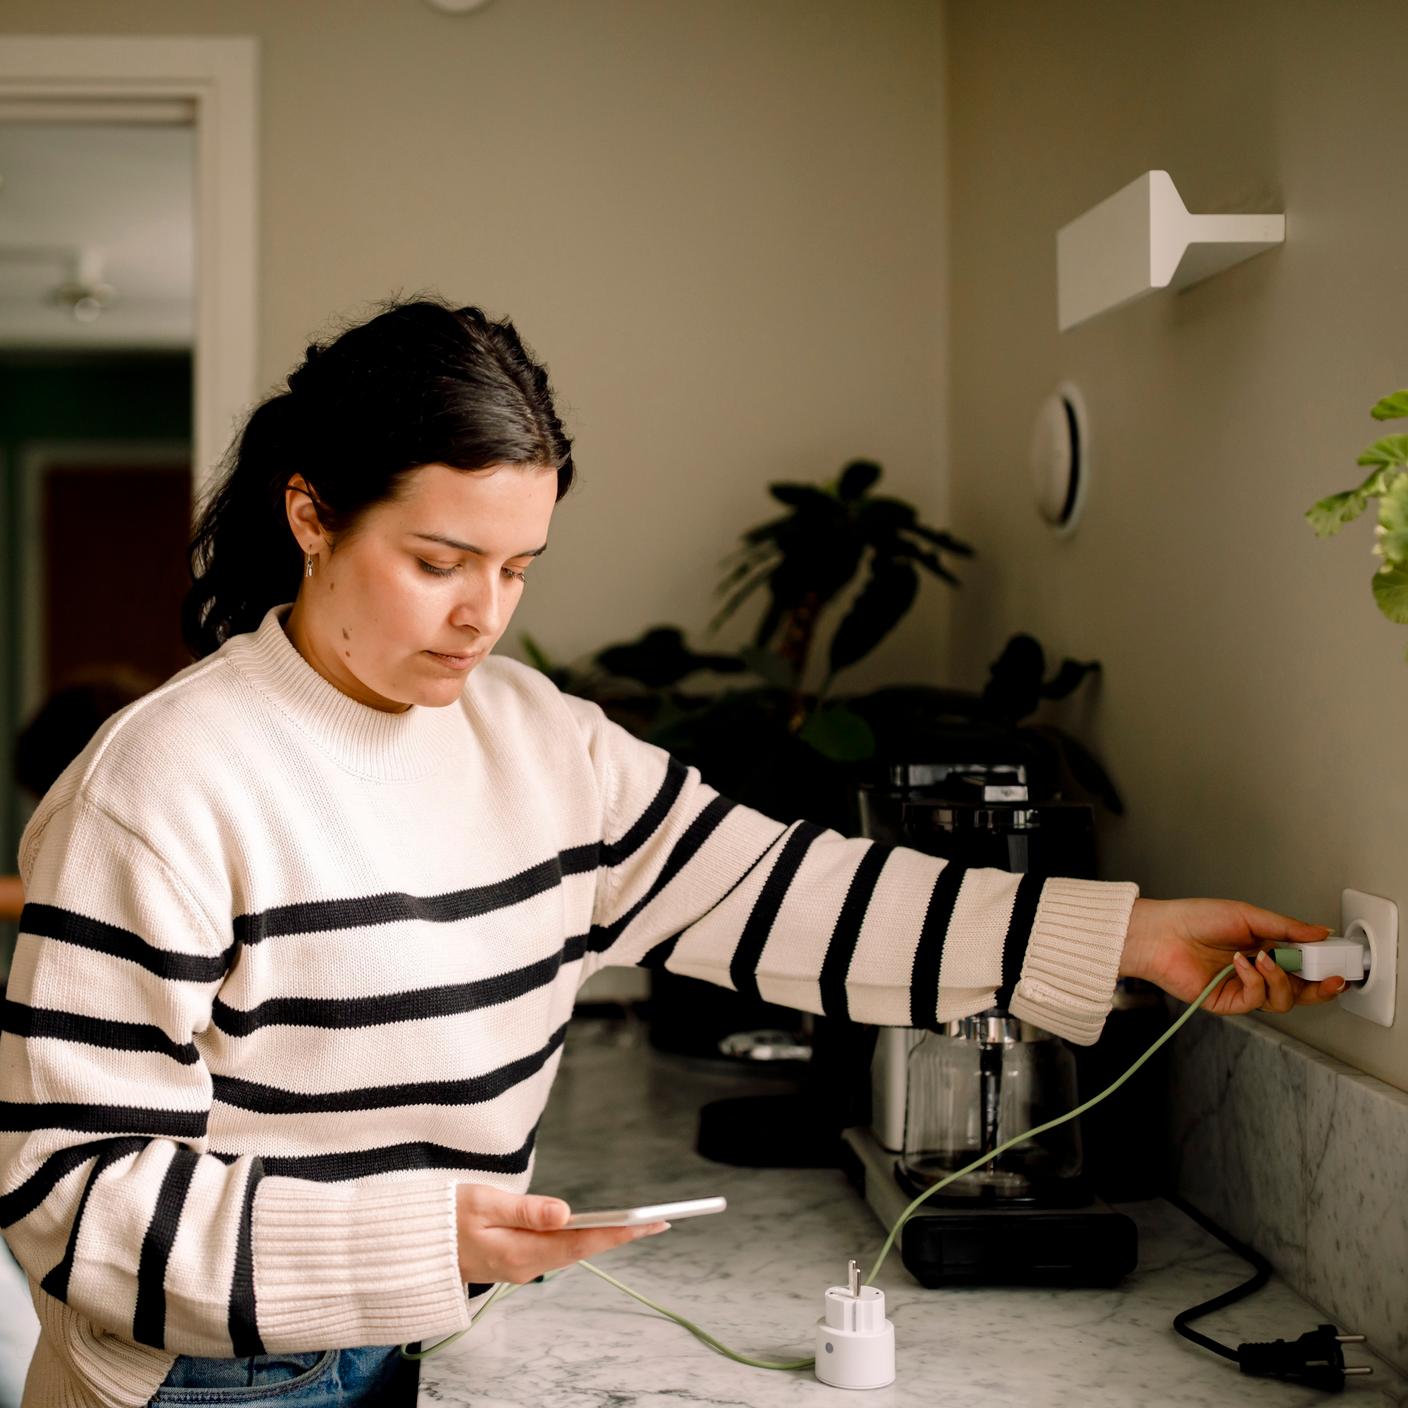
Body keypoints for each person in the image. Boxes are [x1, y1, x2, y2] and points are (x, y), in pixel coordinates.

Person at [0, 299, 1342, 1408]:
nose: (485, 617)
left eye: (520, 568)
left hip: (425, 1339)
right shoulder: (158, 790)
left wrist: (1124, 939)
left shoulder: (543, 744)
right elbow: (70, 1198)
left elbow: (789, 897)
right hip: (199, 1378)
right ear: (310, 514)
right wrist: (425, 1241)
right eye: (439, 560)